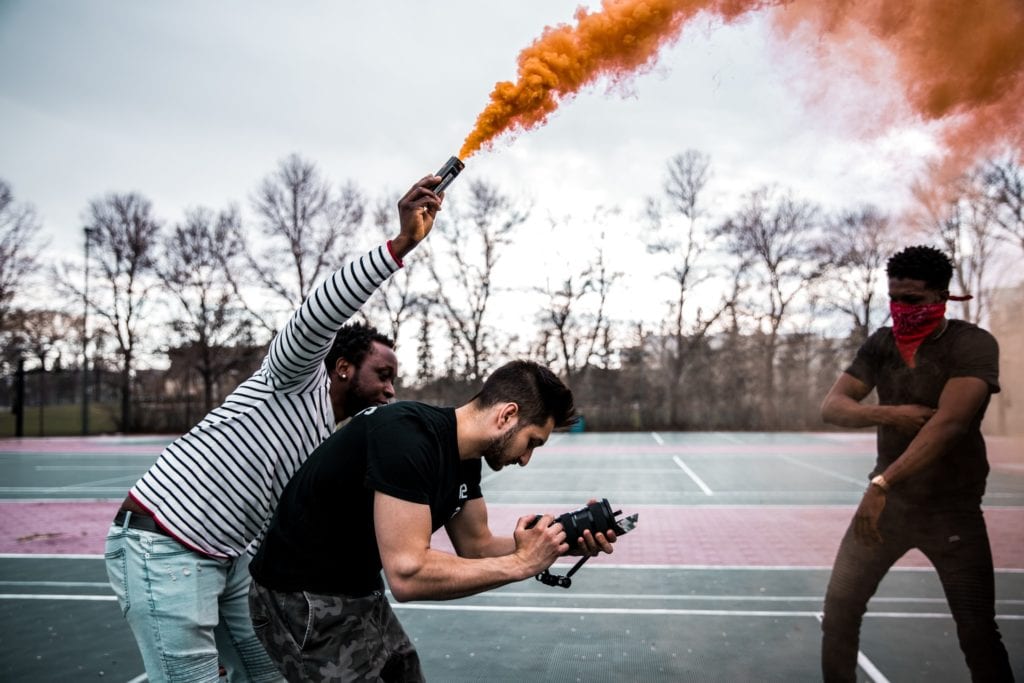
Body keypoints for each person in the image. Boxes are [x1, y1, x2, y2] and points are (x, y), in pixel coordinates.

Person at [104, 174, 445, 683]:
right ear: (344, 367)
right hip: (165, 546)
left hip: (234, 561)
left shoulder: (335, 440)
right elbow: (320, 309)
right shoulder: (292, 377)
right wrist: (400, 245)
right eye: (384, 375)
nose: (391, 389)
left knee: (276, 674)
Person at [247, 360, 617, 682]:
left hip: (357, 592)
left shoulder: (465, 454)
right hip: (301, 600)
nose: (525, 459)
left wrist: (559, 539)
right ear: (506, 415)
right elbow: (409, 573)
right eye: (532, 441)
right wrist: (521, 563)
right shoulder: (407, 437)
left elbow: (477, 546)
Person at [819, 245, 1014, 682]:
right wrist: (889, 413)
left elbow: (948, 425)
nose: (902, 309)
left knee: (978, 632)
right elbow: (832, 407)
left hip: (952, 512)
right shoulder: (881, 344)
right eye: (895, 298)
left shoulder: (972, 344)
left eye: (913, 300)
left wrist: (881, 484)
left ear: (942, 297)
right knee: (839, 612)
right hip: (886, 509)